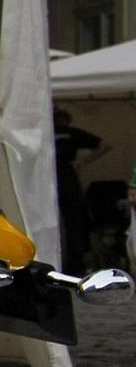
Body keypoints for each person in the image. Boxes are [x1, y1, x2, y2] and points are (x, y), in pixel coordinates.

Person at [54, 109, 112, 274]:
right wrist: (82, 162)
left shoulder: (70, 133)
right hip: (61, 177)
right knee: (71, 221)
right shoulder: (59, 133)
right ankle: (73, 262)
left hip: (63, 176)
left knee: (72, 220)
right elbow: (105, 145)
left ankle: (74, 263)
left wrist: (82, 161)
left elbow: (105, 145)